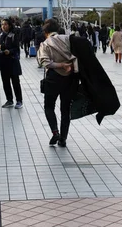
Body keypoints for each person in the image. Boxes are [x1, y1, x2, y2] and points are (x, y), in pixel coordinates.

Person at [38, 18, 77, 147]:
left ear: (46, 32)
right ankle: (63, 138)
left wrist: (61, 65)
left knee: (49, 106)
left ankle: (55, 132)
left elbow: (44, 62)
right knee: (65, 109)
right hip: (70, 78)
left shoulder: (46, 43)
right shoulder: (68, 39)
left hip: (53, 78)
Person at [0, 18, 23, 109]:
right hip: (3, 62)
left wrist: (9, 51)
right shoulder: (0, 35)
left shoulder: (14, 35)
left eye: (6, 24)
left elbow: (17, 49)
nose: (3, 26)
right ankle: (9, 100)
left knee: (15, 82)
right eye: (2, 24)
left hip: (13, 61)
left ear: (9, 25)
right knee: (5, 82)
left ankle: (19, 101)